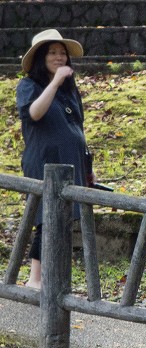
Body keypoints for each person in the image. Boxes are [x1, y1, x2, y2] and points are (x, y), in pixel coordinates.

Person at [17, 29, 90, 289]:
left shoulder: (70, 90)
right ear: (40, 57)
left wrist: (87, 163)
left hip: (71, 163)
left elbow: (77, 127)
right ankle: (35, 279)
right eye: (53, 52)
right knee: (45, 218)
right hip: (45, 163)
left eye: (63, 53)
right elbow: (34, 113)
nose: (59, 58)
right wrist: (55, 82)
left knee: (65, 219)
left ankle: (54, 278)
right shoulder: (29, 85)